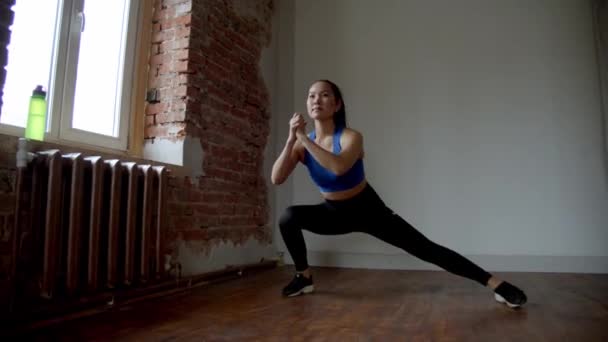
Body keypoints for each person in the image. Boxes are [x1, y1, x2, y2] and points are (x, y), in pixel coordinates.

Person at [270, 80, 528, 308]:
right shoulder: (302, 144)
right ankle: (304, 277)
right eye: (312, 95)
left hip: (368, 209)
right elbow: (277, 178)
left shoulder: (351, 137)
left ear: (337, 105)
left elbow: (338, 167)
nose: (317, 99)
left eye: (324, 95)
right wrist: (290, 141)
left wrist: (303, 137)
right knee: (288, 217)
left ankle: (498, 285)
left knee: (427, 249)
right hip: (333, 212)